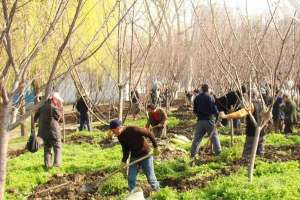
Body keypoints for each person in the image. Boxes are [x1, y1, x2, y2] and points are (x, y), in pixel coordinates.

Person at [109, 119, 160, 192]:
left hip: (146, 155)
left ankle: (158, 192)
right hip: (134, 157)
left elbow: (149, 133)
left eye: (113, 131)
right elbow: (125, 149)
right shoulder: (120, 136)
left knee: (151, 178)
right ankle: (133, 194)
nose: (113, 133)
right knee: (131, 178)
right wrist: (123, 161)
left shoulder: (133, 129)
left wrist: (156, 147)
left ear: (119, 127)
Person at [220, 89, 267, 158]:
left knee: (247, 155)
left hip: (252, 133)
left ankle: (246, 165)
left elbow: (240, 113)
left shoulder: (251, 105)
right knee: (260, 153)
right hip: (262, 132)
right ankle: (259, 166)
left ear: (249, 96)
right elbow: (269, 115)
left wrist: (225, 116)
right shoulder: (262, 104)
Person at [191, 84, 221, 163]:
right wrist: (218, 118)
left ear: (201, 89)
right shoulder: (210, 97)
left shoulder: (197, 98)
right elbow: (215, 110)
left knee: (197, 139)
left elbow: (194, 111)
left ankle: (193, 155)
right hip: (209, 120)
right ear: (208, 89)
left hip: (200, 121)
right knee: (214, 137)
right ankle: (218, 154)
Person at [34, 93, 63, 169]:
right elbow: (60, 119)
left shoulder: (41, 107)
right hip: (54, 132)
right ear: (52, 99)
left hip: (43, 134)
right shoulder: (53, 107)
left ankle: (47, 165)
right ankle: (56, 165)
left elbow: (35, 118)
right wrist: (60, 108)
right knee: (57, 147)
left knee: (47, 148)